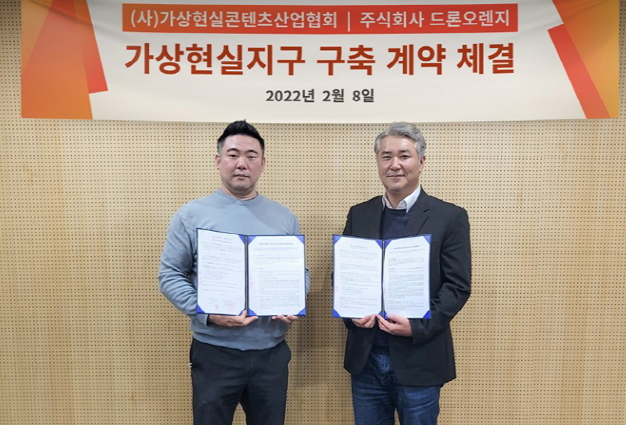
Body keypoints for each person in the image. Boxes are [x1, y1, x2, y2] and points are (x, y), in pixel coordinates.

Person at [158, 120, 309, 425]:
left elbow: (299, 272)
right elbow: (170, 275)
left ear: (263, 164)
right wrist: (208, 314)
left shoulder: (284, 217)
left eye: (251, 156)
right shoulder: (191, 215)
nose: (242, 163)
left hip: (271, 353)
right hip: (215, 353)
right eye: (233, 154)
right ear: (218, 161)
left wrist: (294, 299)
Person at [340, 122, 471, 425]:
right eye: (386, 157)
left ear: (421, 162)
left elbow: (457, 286)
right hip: (366, 359)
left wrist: (417, 326)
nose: (394, 164)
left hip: (420, 357)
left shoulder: (449, 217)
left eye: (404, 156)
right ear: (378, 162)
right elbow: (344, 275)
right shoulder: (360, 214)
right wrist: (352, 313)